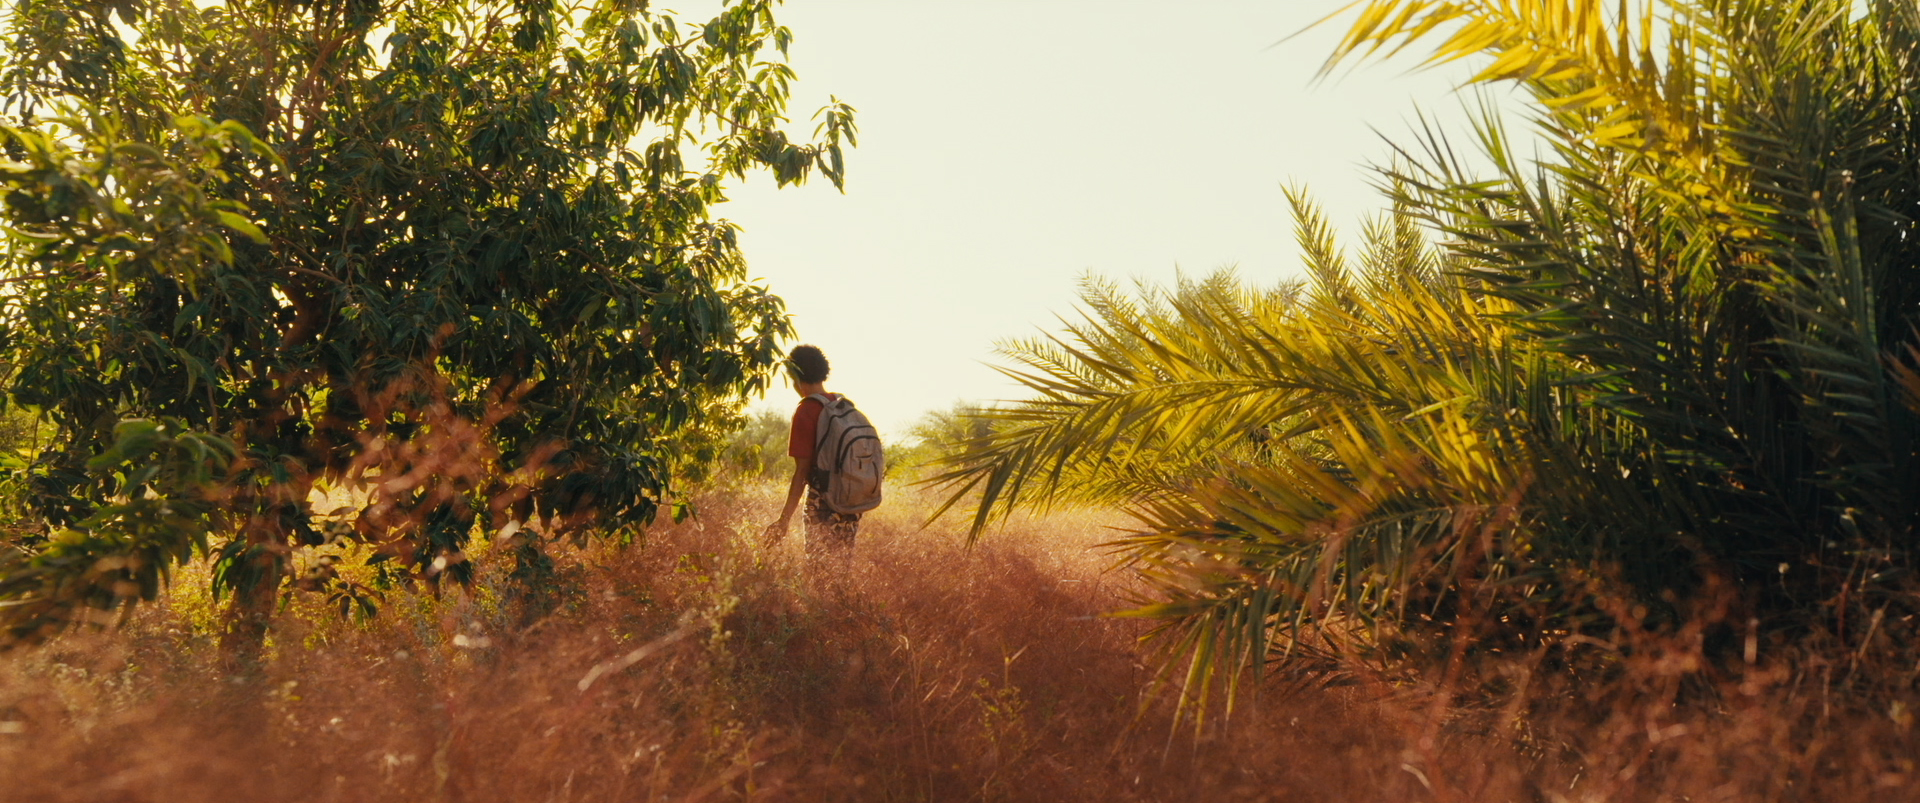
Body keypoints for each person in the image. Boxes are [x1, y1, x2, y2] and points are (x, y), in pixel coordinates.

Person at [763, 344, 861, 554]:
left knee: (819, 566)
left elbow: (802, 472)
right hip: (850, 500)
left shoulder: (806, 410)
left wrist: (784, 520)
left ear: (795, 376)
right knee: (842, 564)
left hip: (823, 502)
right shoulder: (843, 404)